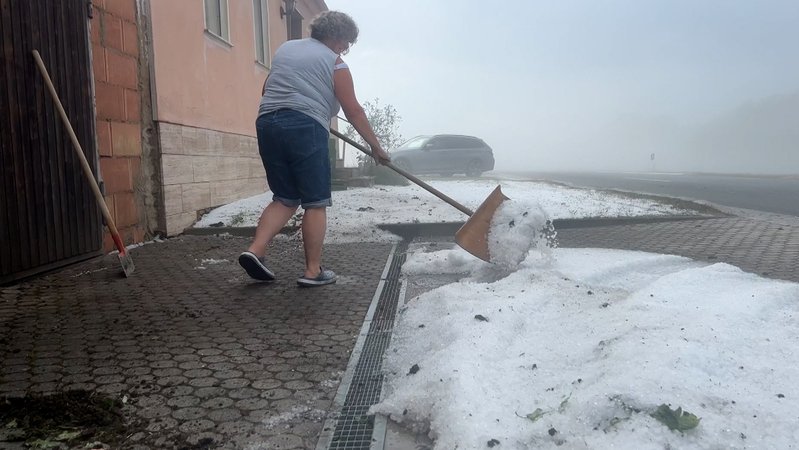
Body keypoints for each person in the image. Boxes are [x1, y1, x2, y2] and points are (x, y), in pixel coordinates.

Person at [238, 10, 390, 287]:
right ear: (336, 37)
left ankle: (255, 250)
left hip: (267, 122)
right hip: (305, 127)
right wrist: (376, 147)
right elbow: (353, 110)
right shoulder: (335, 63)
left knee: (284, 196)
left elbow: (267, 89)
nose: (345, 49)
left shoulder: (286, 49)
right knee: (315, 201)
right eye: (346, 43)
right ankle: (312, 271)